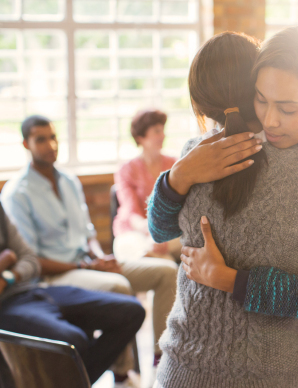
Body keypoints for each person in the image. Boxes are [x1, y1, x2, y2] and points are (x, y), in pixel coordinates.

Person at [148, 27, 298, 388]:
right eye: (261, 99)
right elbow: (162, 228)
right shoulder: (239, 146)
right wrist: (177, 177)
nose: (269, 120)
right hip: (266, 342)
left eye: (288, 108)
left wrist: (230, 279)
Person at [0, 115, 178, 385]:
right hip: (57, 275)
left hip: (86, 262)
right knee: (117, 286)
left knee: (166, 271)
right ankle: (122, 372)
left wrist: (99, 256)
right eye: (41, 139)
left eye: (53, 137)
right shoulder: (17, 193)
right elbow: (34, 259)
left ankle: (160, 359)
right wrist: (84, 266)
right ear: (26, 144)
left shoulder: (69, 181)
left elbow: (87, 233)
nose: (51, 145)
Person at [0, 202, 145, 384]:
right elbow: (15, 256)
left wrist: (7, 274)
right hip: (5, 306)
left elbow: (29, 259)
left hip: (33, 290)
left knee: (132, 311)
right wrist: (7, 257)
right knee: (74, 340)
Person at [113, 109, 180, 262]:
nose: (163, 135)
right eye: (157, 131)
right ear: (140, 137)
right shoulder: (126, 170)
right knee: (158, 257)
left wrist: (162, 234)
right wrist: (153, 233)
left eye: (163, 130)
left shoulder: (174, 164)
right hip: (134, 230)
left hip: (168, 232)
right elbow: (131, 212)